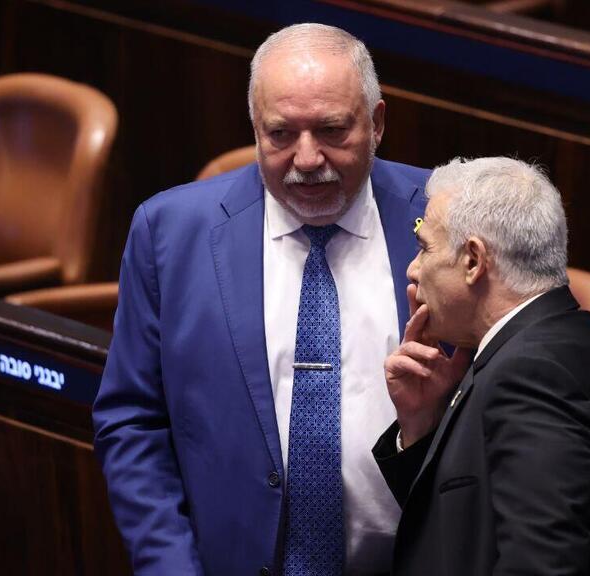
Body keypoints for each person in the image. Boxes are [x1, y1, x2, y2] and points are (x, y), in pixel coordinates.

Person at [93, 23, 430, 575]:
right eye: (280, 134)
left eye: (331, 129)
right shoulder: (170, 233)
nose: (305, 158)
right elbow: (132, 421)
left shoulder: (446, 216)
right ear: (254, 129)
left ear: (377, 124)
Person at [374, 157, 590, 575]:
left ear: (473, 261)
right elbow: (465, 528)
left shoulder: (533, 377)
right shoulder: (563, 343)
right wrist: (424, 425)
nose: (413, 269)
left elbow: (539, 565)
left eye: (425, 248)